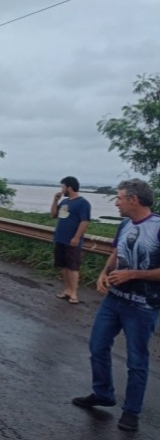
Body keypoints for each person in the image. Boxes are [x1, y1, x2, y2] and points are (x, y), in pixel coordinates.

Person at [72, 179, 160, 432]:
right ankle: (103, 393)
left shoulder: (157, 227)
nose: (116, 202)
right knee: (97, 346)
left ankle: (131, 412)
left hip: (143, 306)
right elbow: (116, 253)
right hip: (114, 301)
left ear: (134, 200)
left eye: (119, 198)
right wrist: (103, 273)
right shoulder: (123, 224)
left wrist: (132, 275)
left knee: (137, 360)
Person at [51, 176, 91, 304]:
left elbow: (84, 221)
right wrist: (55, 200)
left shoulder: (83, 203)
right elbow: (53, 215)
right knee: (64, 266)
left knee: (73, 267)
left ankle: (74, 293)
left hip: (72, 240)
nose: (61, 190)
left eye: (63, 187)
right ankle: (67, 289)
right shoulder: (64, 202)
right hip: (60, 238)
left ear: (70, 187)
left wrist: (76, 237)